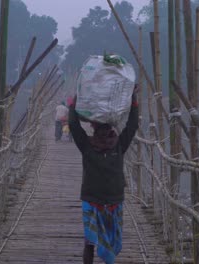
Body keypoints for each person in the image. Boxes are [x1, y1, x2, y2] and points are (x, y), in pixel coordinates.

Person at [68, 91, 139, 264]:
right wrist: (133, 102)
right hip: (111, 200)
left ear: (92, 127)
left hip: (93, 199)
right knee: (110, 239)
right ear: (112, 129)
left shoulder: (87, 144)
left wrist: (73, 105)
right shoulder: (119, 144)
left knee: (90, 241)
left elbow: (74, 125)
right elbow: (132, 124)